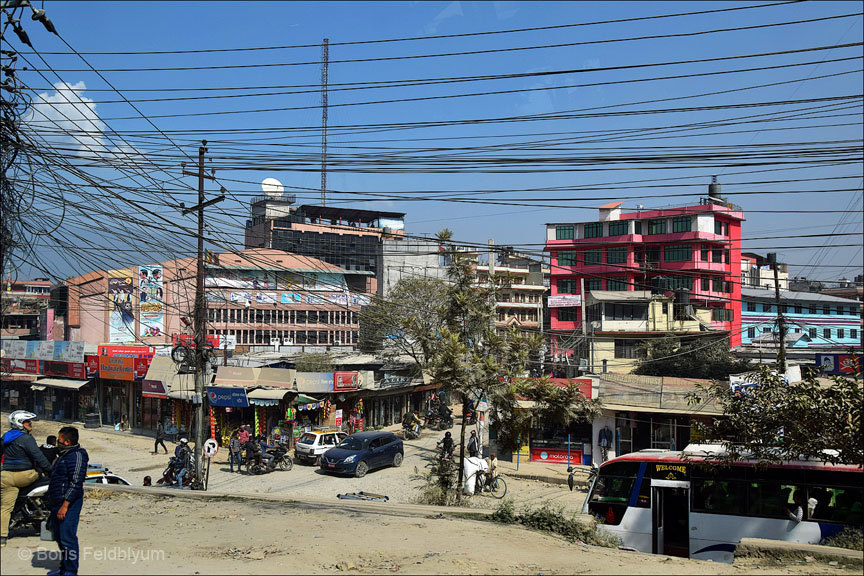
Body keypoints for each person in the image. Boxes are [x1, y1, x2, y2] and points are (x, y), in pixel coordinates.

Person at [1, 410, 53, 548]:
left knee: (5, 508)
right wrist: (50, 471)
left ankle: (2, 538)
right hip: (25, 476)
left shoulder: (5, 437)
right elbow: (39, 457)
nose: (30, 424)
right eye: (27, 422)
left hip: (6, 476)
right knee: (40, 475)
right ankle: (35, 505)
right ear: (20, 424)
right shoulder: (26, 439)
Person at [46, 426, 89, 576]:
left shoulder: (77, 456)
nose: (57, 442)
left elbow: (76, 483)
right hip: (56, 501)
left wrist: (65, 505)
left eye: (59, 440)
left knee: (67, 537)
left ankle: (70, 571)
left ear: (67, 441)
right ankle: (64, 567)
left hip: (69, 503)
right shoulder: (63, 455)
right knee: (58, 536)